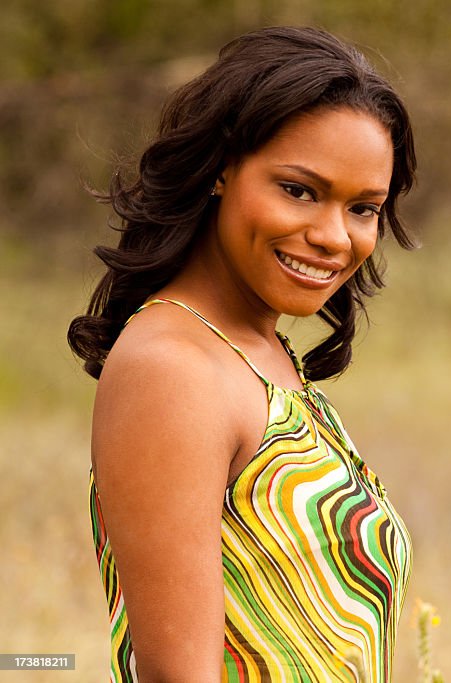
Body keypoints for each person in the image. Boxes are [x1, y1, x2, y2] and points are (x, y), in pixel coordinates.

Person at [67, 26, 416, 682]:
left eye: (363, 207)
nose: (333, 237)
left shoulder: (261, 354)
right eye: (299, 189)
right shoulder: (172, 370)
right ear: (223, 167)